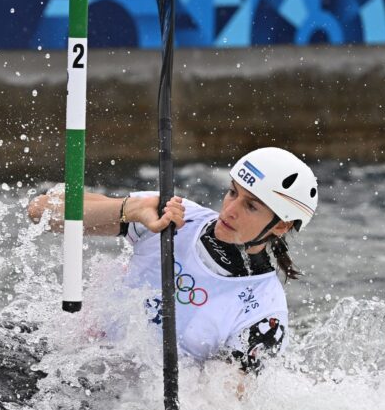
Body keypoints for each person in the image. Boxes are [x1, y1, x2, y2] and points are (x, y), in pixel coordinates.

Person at [27, 146, 317, 382]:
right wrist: (129, 210)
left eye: (251, 205)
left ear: (281, 226)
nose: (229, 209)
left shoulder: (264, 316)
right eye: (232, 192)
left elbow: (219, 404)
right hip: (62, 365)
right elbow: (41, 211)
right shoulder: (175, 218)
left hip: (118, 408)